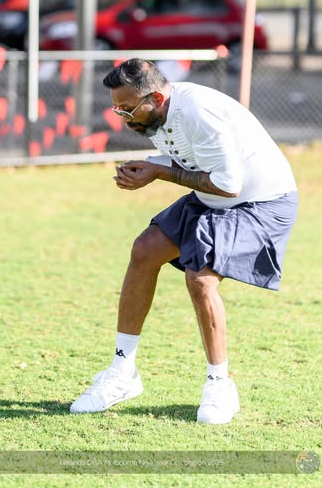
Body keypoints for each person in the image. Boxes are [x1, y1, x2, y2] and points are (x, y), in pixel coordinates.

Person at [70, 58, 298, 424]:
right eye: (117, 108)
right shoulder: (157, 115)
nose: (123, 117)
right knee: (144, 251)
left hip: (261, 202)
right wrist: (149, 164)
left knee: (201, 278)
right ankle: (123, 371)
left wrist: (158, 172)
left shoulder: (199, 113)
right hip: (215, 198)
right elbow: (187, 158)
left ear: (157, 97)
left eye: (128, 109)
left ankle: (219, 385)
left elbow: (228, 184)